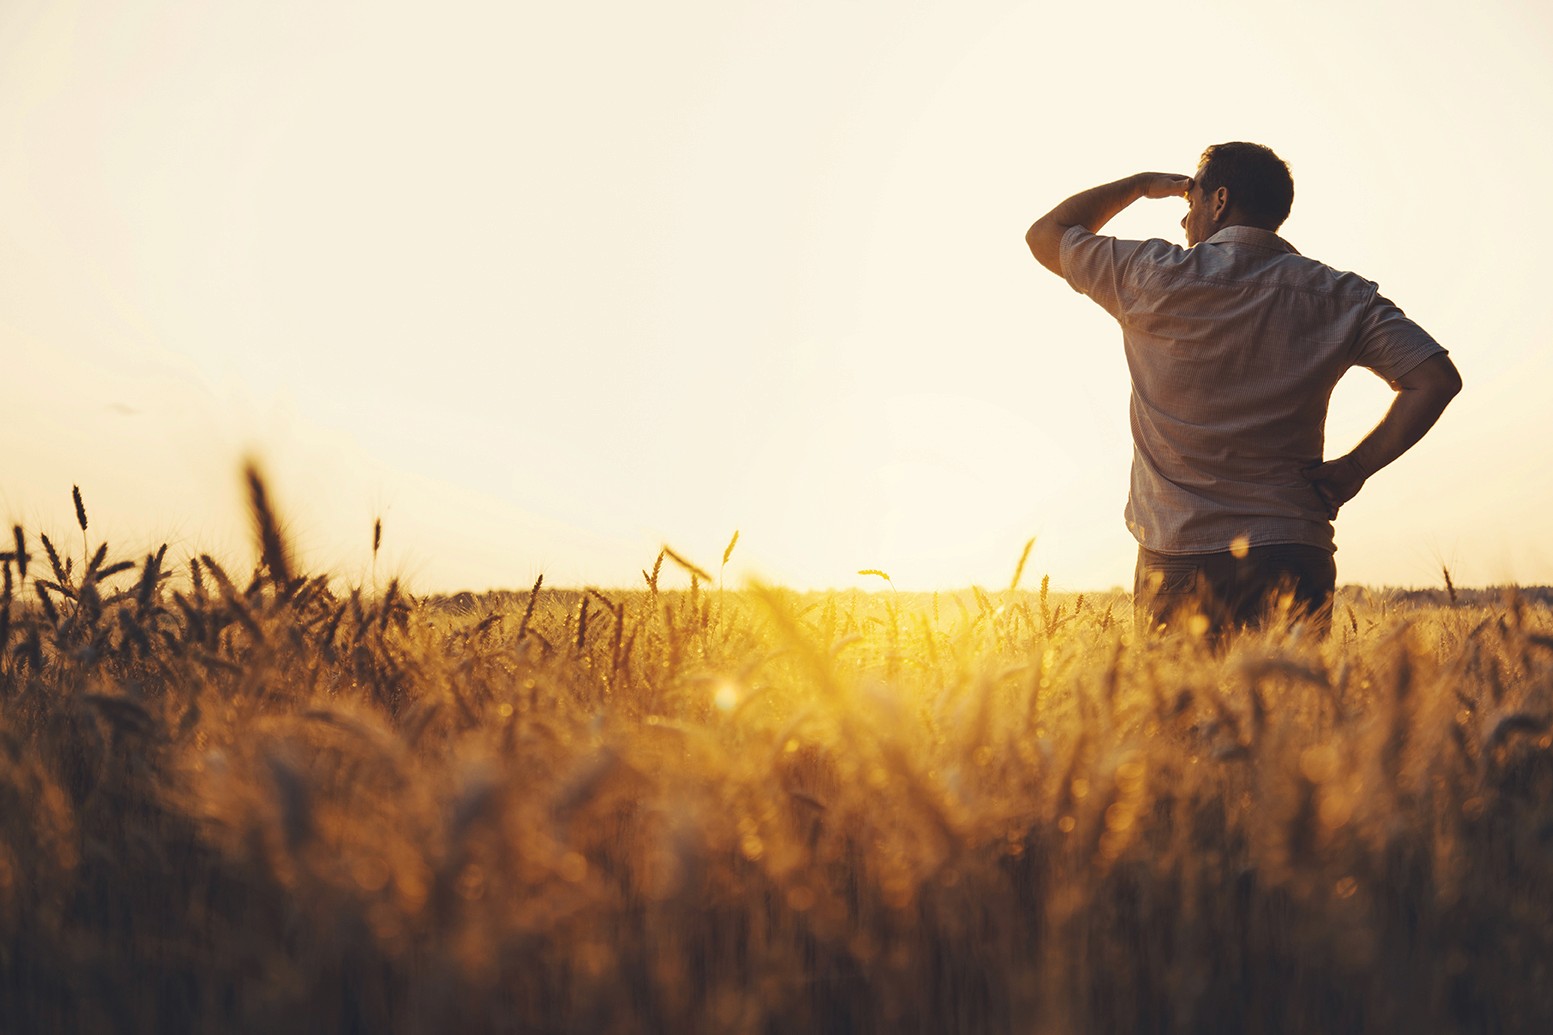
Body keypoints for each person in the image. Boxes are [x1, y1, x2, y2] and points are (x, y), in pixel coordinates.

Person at [1025, 142, 1462, 637]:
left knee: (1184, 716)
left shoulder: (1150, 274)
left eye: (1190, 204)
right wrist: (1355, 469)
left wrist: (1139, 186)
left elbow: (1046, 235)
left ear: (1219, 201)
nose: (1184, 222)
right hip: (1295, 548)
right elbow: (1435, 379)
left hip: (1183, 553)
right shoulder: (1342, 295)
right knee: (1291, 716)